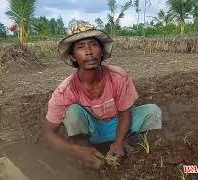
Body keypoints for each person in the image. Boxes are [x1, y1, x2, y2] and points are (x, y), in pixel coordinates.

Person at [43, 23, 162, 169]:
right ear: (73, 57)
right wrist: (78, 152)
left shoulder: (118, 77)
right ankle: (87, 154)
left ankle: (126, 144)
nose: (88, 51)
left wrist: (118, 142)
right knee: (73, 112)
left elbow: (125, 114)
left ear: (101, 52)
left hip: (117, 126)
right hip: (90, 132)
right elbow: (48, 133)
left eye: (93, 45)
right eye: (80, 47)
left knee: (152, 111)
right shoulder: (65, 91)